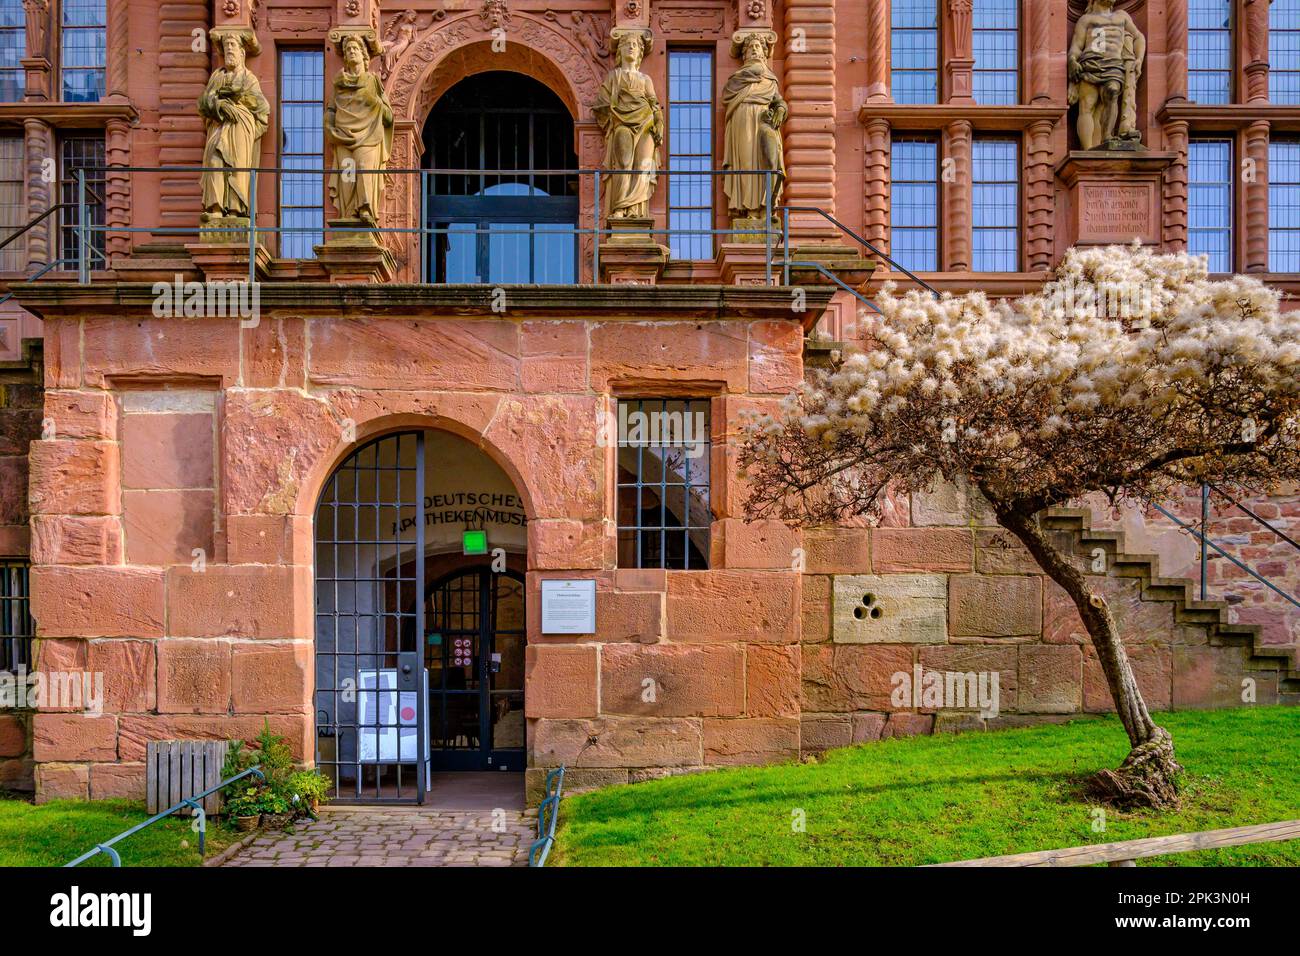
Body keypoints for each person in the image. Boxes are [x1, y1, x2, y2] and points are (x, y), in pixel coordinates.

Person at [198, 33, 270, 221]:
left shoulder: (249, 79)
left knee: (238, 167)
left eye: (233, 45)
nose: (229, 49)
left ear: (242, 52)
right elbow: (204, 102)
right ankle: (215, 208)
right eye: (226, 45)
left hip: (240, 129)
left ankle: (235, 211)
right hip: (219, 126)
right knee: (214, 162)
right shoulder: (217, 77)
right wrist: (220, 105)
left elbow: (262, 108)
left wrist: (238, 107)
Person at [593, 31, 663, 220]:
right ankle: (620, 208)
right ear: (620, 51)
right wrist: (612, 115)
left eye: (635, 45)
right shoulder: (613, 77)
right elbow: (600, 104)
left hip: (646, 123)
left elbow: (655, 105)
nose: (631, 47)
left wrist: (660, 123)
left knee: (642, 165)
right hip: (621, 123)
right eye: (627, 44)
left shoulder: (645, 79)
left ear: (640, 52)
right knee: (623, 163)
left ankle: (634, 210)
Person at [325, 35, 394, 225]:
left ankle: (365, 209)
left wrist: (376, 104)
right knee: (347, 177)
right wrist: (329, 126)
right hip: (343, 136)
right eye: (348, 50)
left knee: (363, 169)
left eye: (355, 49)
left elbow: (389, 116)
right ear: (345, 57)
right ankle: (348, 215)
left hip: (369, 136)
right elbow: (331, 109)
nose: (351, 52)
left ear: (364, 55)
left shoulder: (372, 81)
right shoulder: (339, 84)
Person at [722, 32, 786, 221]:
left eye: (758, 47)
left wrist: (782, 108)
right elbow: (726, 96)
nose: (755, 50)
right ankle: (748, 211)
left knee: (768, 161)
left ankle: (767, 207)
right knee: (746, 163)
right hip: (742, 119)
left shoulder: (771, 80)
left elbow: (779, 101)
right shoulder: (737, 78)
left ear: (765, 52)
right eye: (751, 47)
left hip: (763, 120)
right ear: (745, 53)